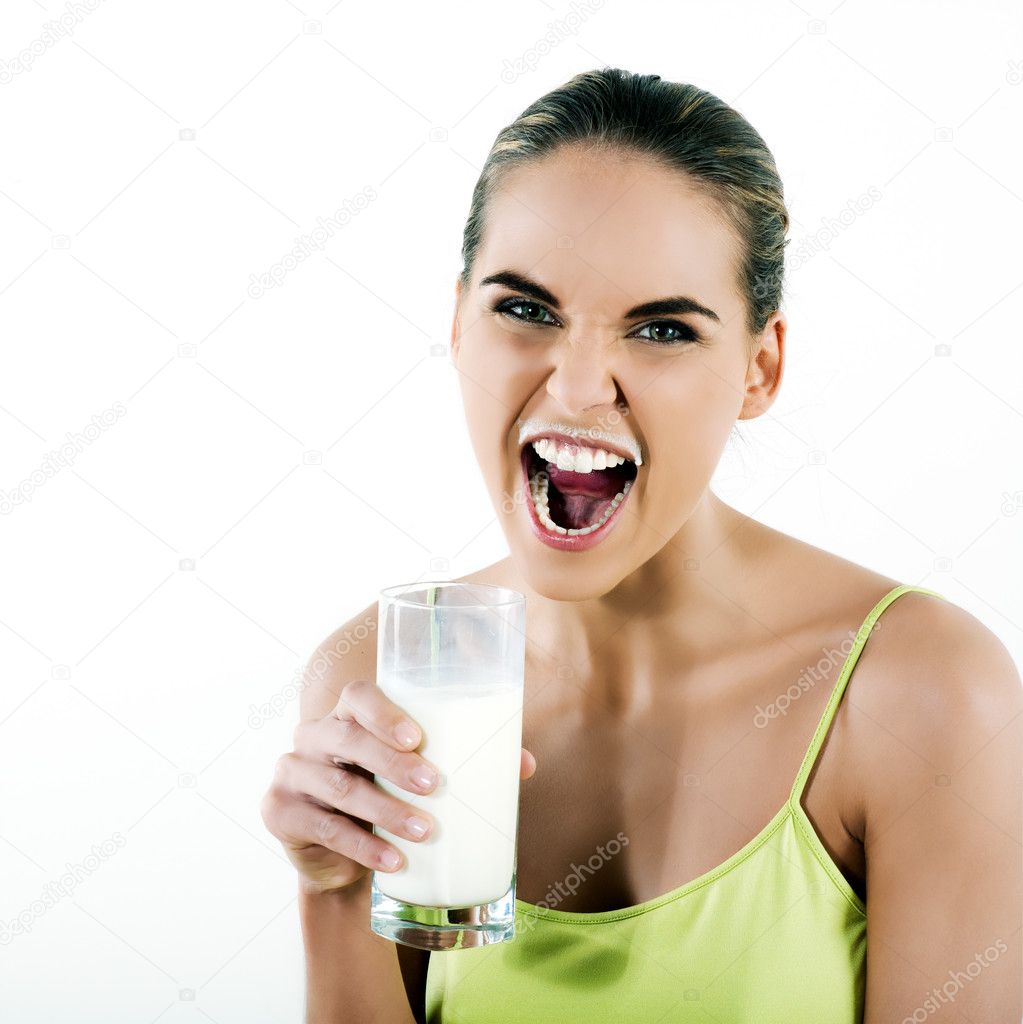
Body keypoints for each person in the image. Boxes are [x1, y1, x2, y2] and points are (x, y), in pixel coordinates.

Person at [260, 68, 1022, 1023]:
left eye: (661, 328)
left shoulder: (921, 694)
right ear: (458, 322)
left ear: (759, 366)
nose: (579, 387)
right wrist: (333, 889)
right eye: (525, 309)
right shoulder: (379, 675)